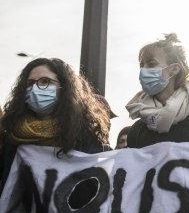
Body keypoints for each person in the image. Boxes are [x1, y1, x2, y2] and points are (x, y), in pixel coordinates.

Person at [0, 58, 111, 194]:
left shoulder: (86, 137)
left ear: (64, 88)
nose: (35, 89)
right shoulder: (11, 136)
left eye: (45, 81)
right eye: (30, 84)